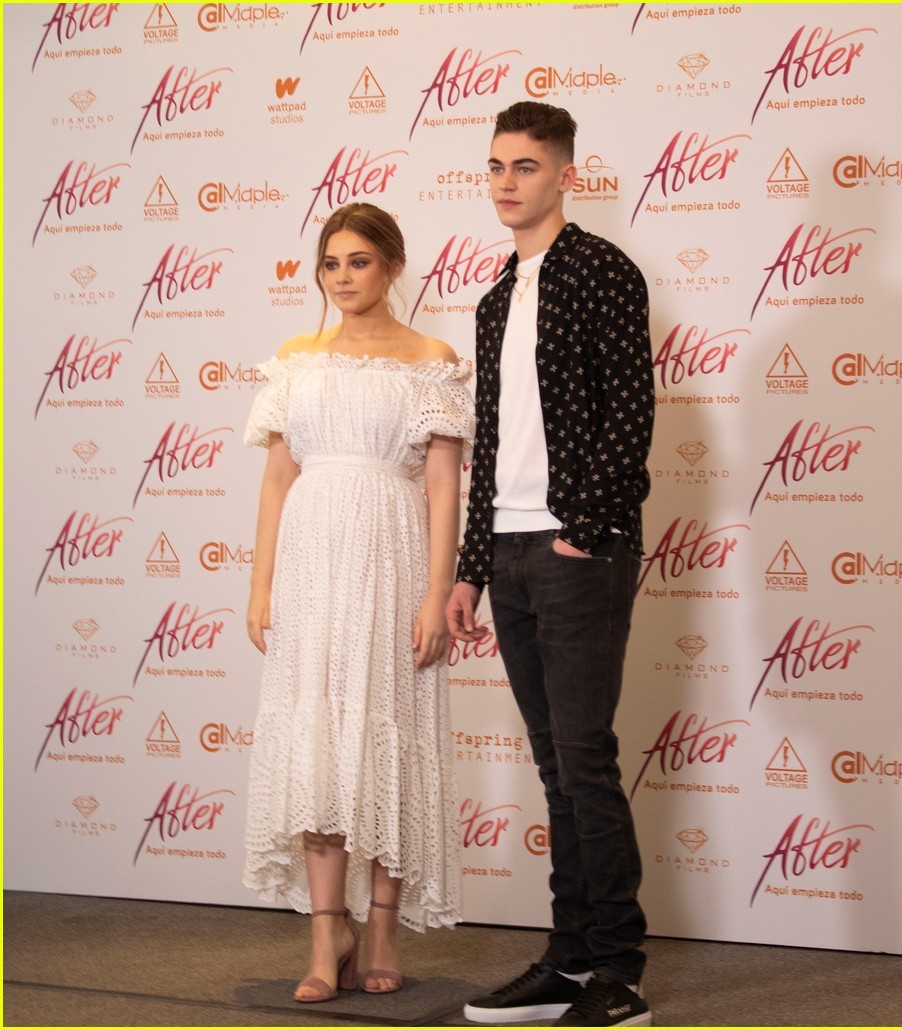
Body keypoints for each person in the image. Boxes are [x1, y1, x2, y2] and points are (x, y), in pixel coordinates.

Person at [446, 101, 655, 1028]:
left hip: (577, 548)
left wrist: (586, 527)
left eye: (525, 166)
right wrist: (471, 567)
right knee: (553, 767)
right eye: (496, 165)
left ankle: (617, 971)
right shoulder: (496, 298)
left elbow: (631, 415)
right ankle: (568, 962)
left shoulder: (603, 270)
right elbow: (491, 444)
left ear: (566, 175)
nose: (506, 182)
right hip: (510, 549)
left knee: (585, 758)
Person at [243, 202, 473, 1003]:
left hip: (393, 563)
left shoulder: (431, 361)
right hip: (310, 569)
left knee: (386, 742)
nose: (343, 278)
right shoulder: (295, 361)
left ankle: (380, 929)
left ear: (393, 267)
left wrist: (436, 593)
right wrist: (260, 585)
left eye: (360, 262)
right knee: (317, 747)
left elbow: (443, 489)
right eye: (332, 263)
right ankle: (324, 934)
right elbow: (277, 480)